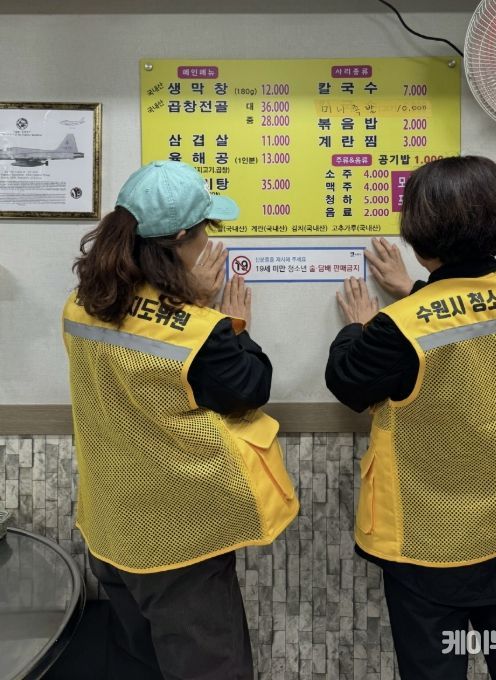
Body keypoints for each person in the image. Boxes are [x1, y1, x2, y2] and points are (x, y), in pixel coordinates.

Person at [326, 156, 496, 680]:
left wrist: (360, 326)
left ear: (418, 238)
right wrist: (417, 291)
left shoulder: (396, 328)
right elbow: (474, 325)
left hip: (431, 545)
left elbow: (348, 382)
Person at [63, 160, 299, 680]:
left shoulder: (80, 305)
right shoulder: (197, 330)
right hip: (180, 541)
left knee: (142, 663)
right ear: (179, 241)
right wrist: (224, 322)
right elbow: (250, 389)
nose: (210, 244)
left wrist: (185, 300)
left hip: (111, 527)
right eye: (205, 231)